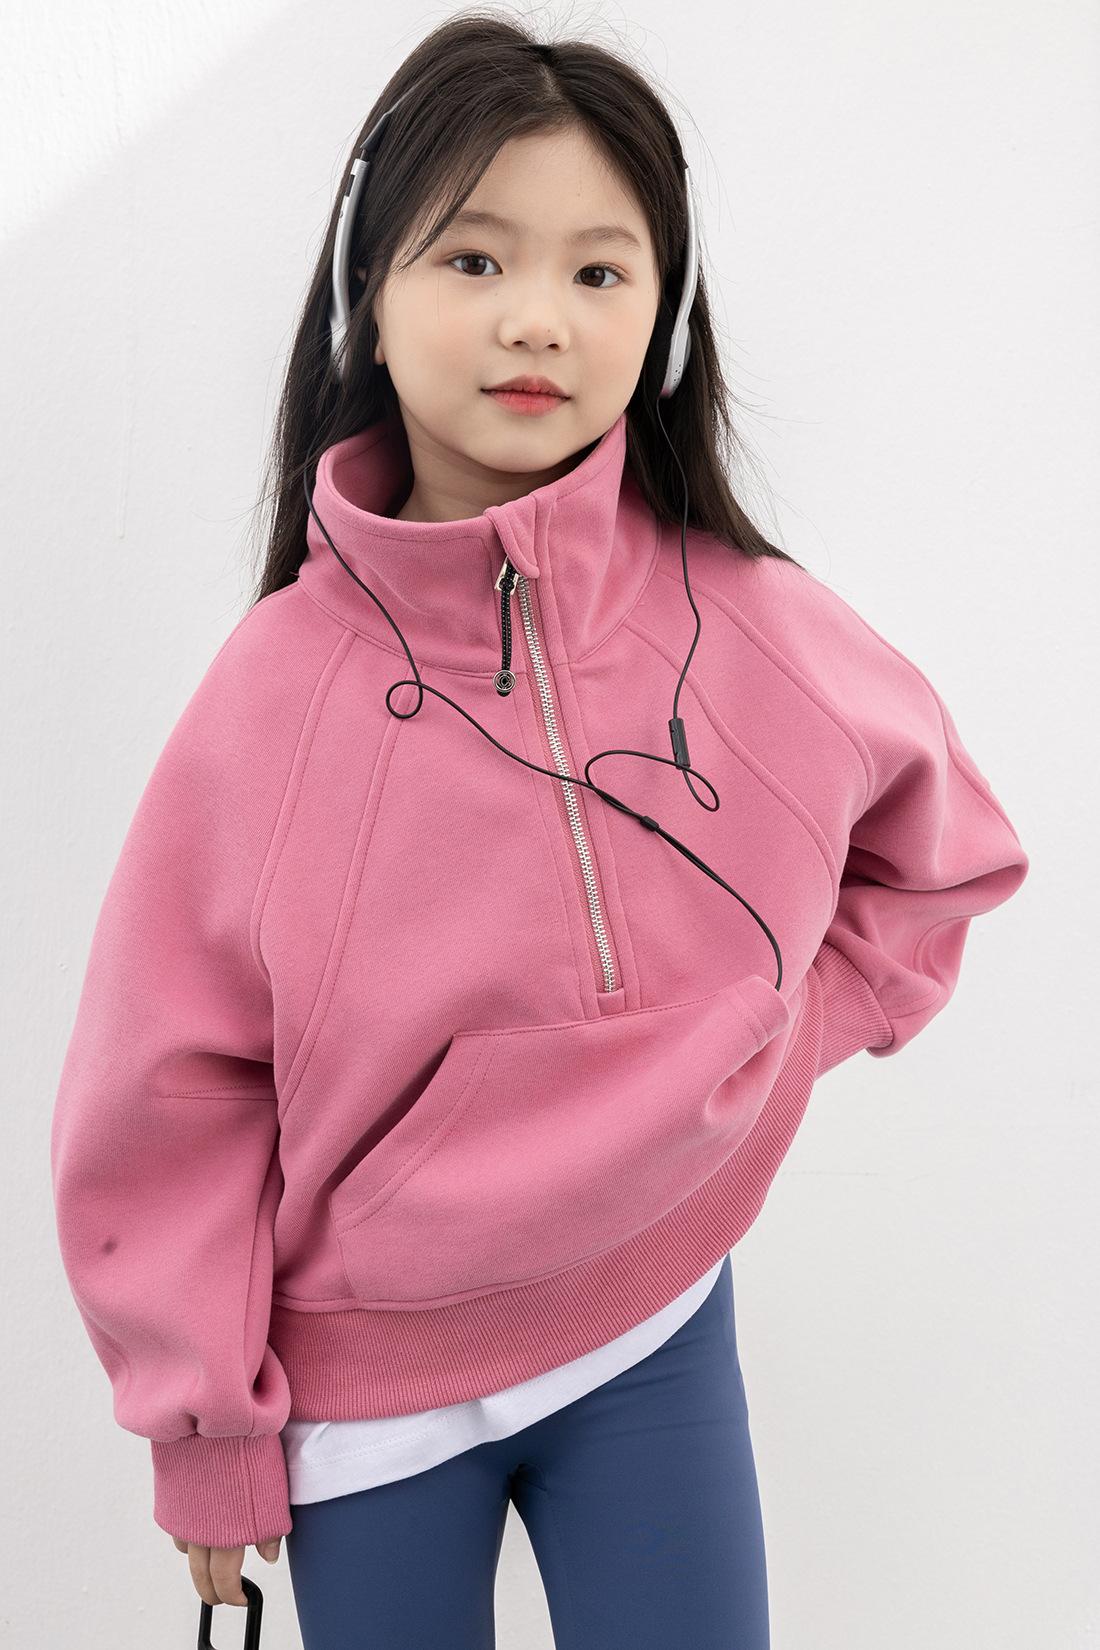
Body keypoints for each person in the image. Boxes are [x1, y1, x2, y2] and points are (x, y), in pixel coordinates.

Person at [48, 13, 1030, 1650]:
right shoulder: (274, 695)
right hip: (367, 1385)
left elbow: (944, 849)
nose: (537, 318)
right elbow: (169, 1088)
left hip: (656, 1317)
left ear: (667, 316)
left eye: (599, 271)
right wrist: (206, 1432)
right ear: (367, 291)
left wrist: (779, 1035)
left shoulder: (746, 618)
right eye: (475, 257)